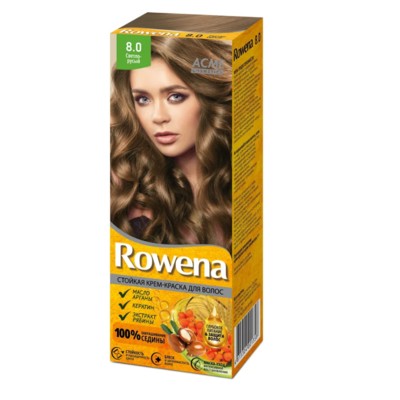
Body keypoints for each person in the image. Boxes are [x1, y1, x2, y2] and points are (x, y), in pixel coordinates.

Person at [110, 37, 232, 251]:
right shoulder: (124, 180)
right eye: (143, 100)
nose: (158, 117)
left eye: (175, 97)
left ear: (207, 96)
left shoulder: (247, 176)